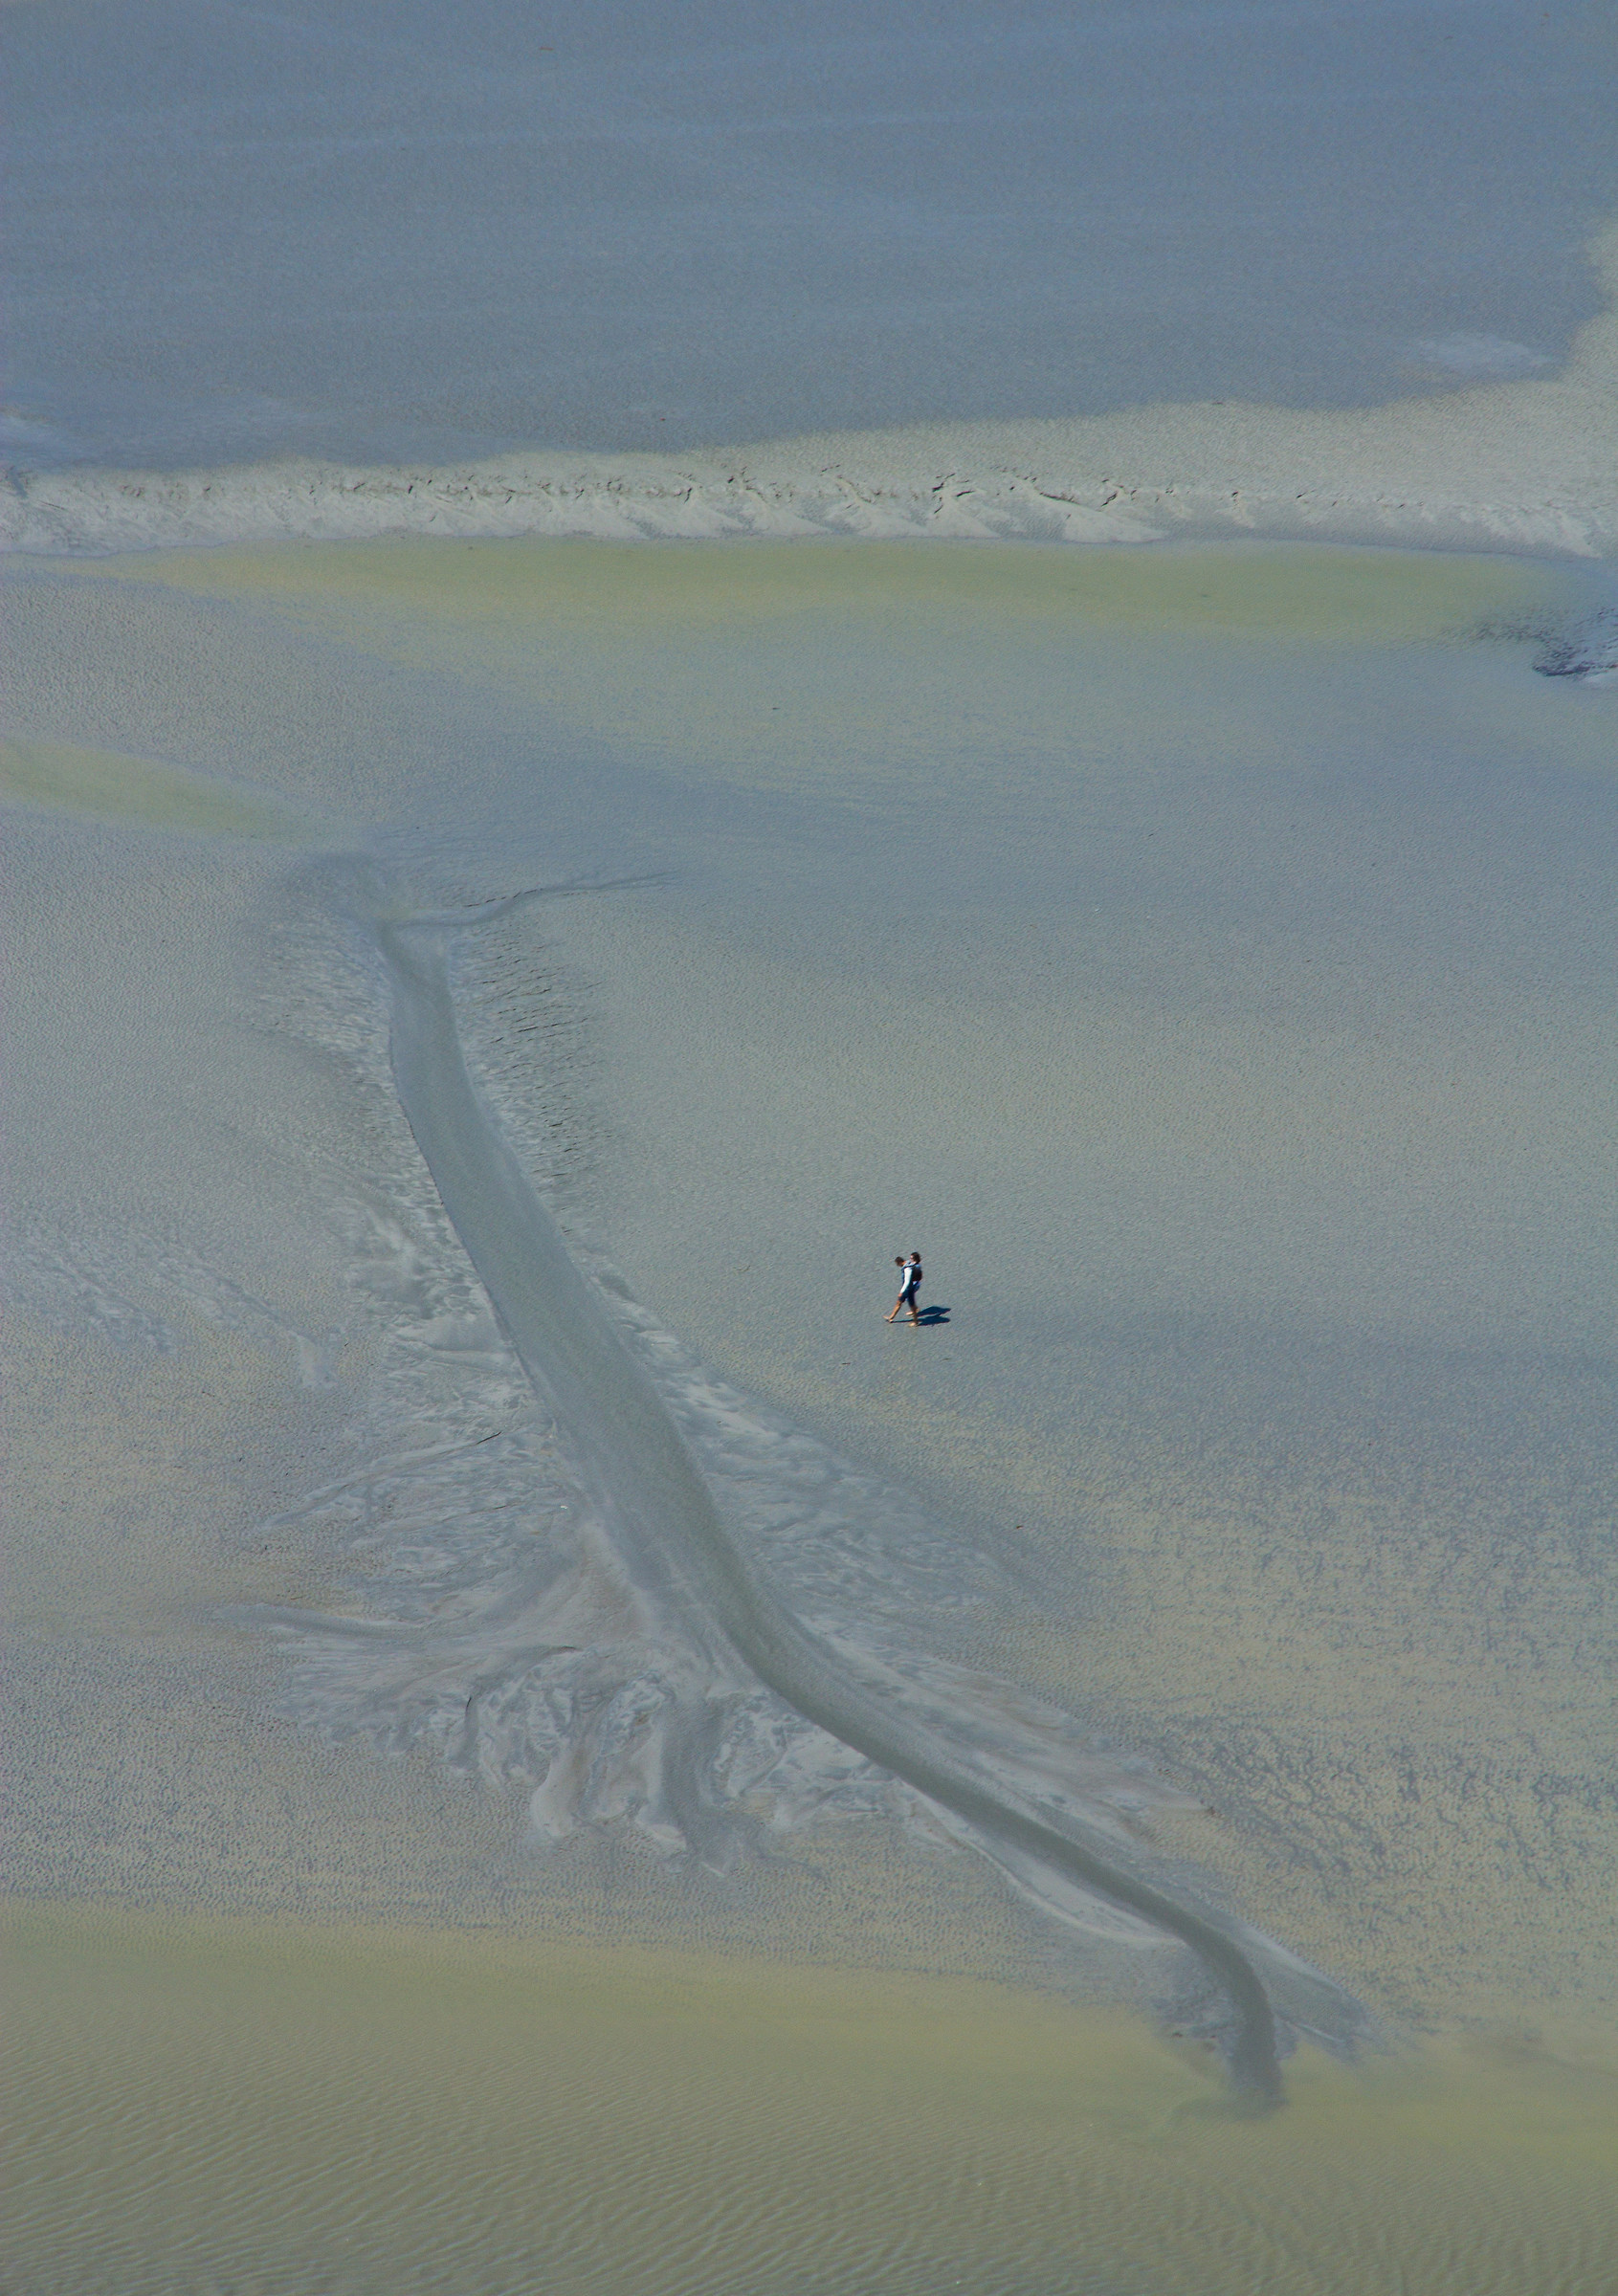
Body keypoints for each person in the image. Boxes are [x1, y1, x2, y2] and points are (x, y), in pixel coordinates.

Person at [886, 1251, 923, 1324]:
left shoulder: (907, 1269)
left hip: (909, 1289)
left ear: (899, 1263)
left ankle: (916, 1322)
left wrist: (901, 1292)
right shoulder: (909, 1263)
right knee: (898, 1302)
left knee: (912, 1306)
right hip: (908, 1289)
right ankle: (891, 1317)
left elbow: (907, 1282)